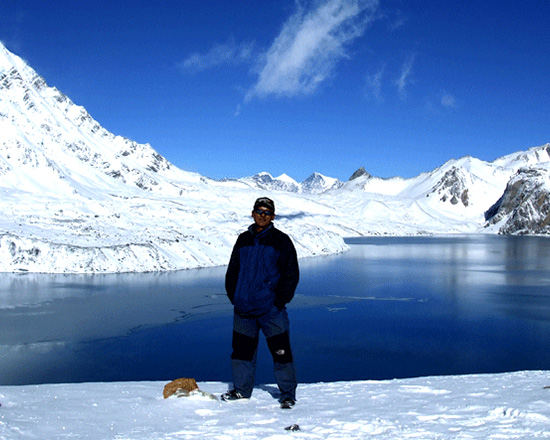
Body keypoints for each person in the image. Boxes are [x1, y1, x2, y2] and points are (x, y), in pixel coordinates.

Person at [222, 197, 299, 408]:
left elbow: (291, 274)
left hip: (270, 310)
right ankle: (241, 391)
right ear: (253, 213)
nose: (262, 215)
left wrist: (278, 301)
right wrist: (235, 296)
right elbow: (233, 271)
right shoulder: (243, 239)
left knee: (281, 352)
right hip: (244, 309)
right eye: (259, 211)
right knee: (242, 353)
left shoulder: (281, 241)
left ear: (273, 216)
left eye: (267, 212)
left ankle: (287, 394)